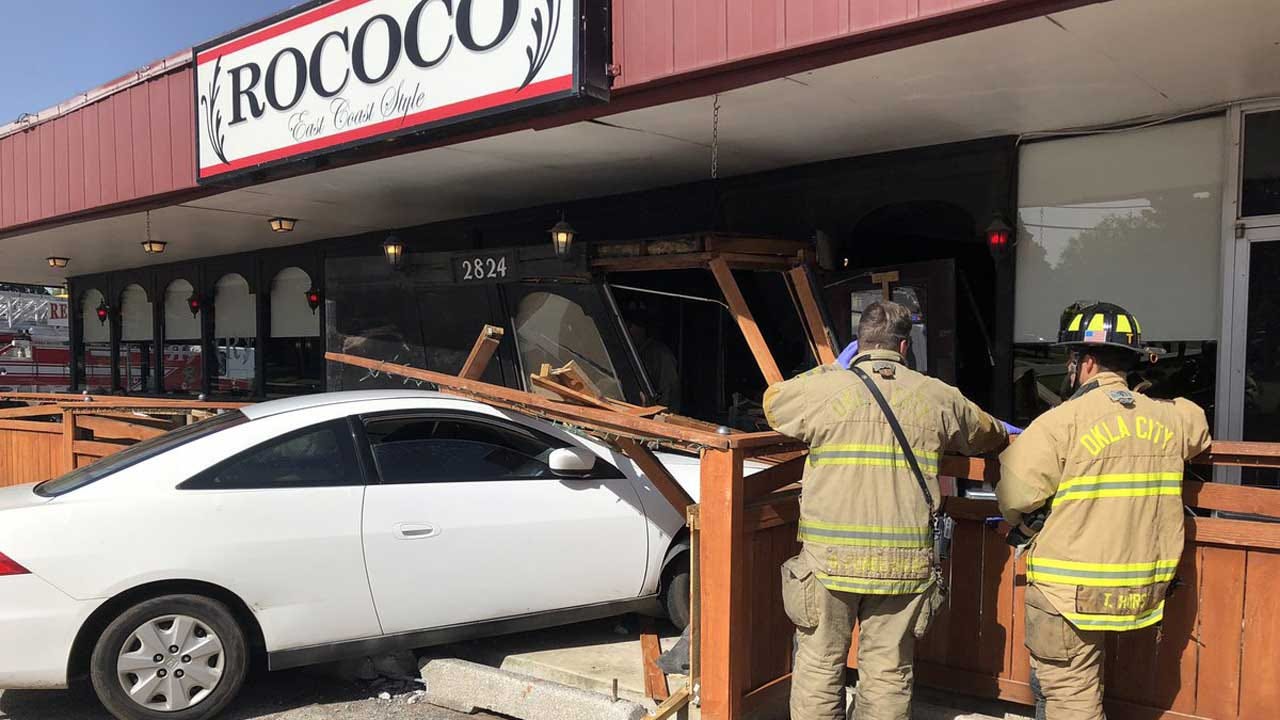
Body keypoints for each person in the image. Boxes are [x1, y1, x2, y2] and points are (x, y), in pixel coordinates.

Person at [764, 300, 1008, 720]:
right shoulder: (937, 395)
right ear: (904, 346)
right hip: (904, 564)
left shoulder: (824, 388)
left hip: (829, 561)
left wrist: (830, 370)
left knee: (820, 665)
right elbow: (988, 433)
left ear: (859, 343)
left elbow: (773, 403)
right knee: (889, 672)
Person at [997, 302, 1211, 720]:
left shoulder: (1060, 422)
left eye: (1071, 359)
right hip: (1140, 587)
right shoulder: (1171, 419)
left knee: (1069, 698)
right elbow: (1197, 422)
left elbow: (1014, 497)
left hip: (1068, 592)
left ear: (1086, 362)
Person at [624, 305, 681, 412]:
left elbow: (669, 393)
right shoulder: (626, 352)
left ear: (642, 328)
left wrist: (660, 415)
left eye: (631, 326)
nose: (628, 330)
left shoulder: (661, 355)